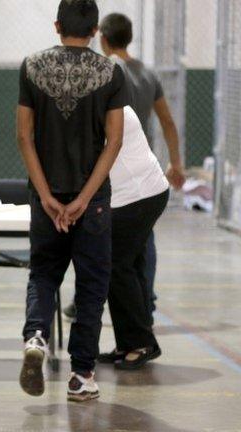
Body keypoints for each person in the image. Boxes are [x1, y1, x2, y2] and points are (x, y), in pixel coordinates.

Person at [16, 0, 127, 402]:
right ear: (96, 30)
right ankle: (81, 375)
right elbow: (114, 141)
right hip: (92, 200)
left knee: (44, 273)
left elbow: (25, 137)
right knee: (92, 285)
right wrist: (83, 198)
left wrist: (46, 195)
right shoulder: (111, 72)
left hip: (46, 197)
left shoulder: (31, 66)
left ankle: (37, 337)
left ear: (57, 25)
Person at [99, 12, 186, 312]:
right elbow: (168, 121)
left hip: (116, 169)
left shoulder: (106, 71)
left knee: (112, 241)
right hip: (144, 167)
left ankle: (98, 294)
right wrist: (176, 163)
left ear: (103, 39)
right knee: (143, 238)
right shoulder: (149, 74)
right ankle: (145, 295)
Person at [99, 106, 169, 369]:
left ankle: (140, 343)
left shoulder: (110, 110)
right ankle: (133, 342)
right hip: (140, 194)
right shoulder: (110, 104)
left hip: (139, 196)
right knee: (130, 266)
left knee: (117, 266)